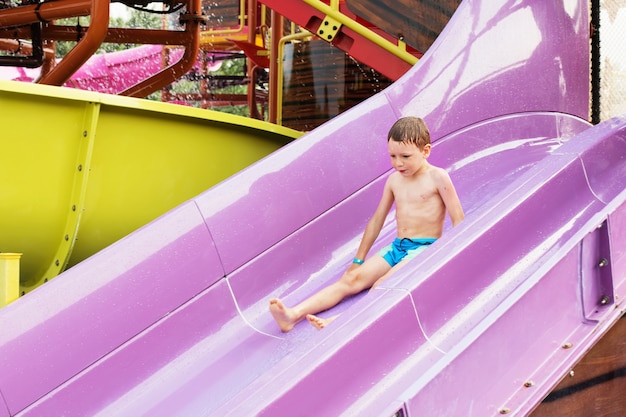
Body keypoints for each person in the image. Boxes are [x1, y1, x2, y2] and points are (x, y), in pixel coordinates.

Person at [269, 116, 464, 332]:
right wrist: (358, 259)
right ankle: (292, 315)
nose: (398, 163)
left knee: (383, 284)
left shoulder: (438, 178)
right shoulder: (394, 180)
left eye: (405, 156)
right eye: (392, 156)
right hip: (398, 247)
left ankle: (342, 321)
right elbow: (377, 221)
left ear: (425, 151)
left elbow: (459, 222)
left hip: (424, 248)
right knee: (351, 279)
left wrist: (445, 259)